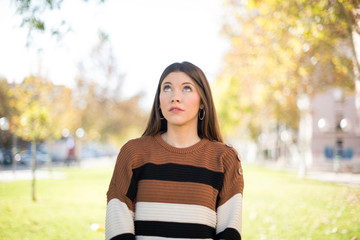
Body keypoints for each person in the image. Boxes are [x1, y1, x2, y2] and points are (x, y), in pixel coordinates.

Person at [105, 61, 244, 240]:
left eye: (187, 88)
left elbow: (230, 232)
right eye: (167, 88)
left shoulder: (225, 158)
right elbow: (117, 223)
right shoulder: (133, 153)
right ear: (159, 100)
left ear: (203, 102)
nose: (175, 97)